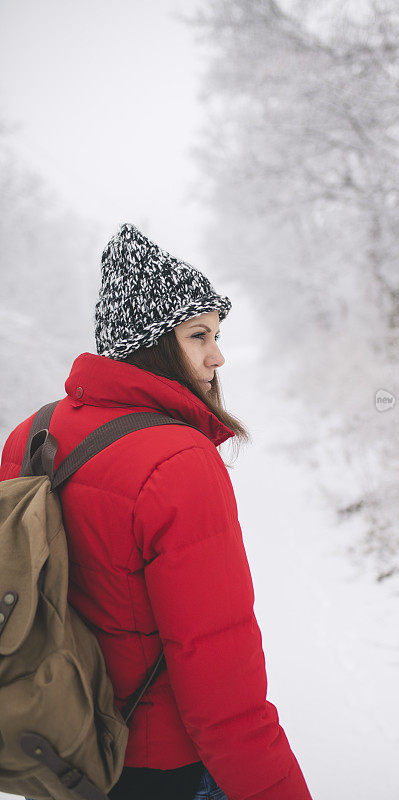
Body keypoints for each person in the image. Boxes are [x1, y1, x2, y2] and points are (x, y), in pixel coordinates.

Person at [0, 223, 313, 800]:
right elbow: (217, 670)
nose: (218, 356)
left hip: (61, 742)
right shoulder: (180, 460)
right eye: (199, 335)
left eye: (217, 334)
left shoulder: (31, 432)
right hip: (160, 763)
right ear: (153, 344)